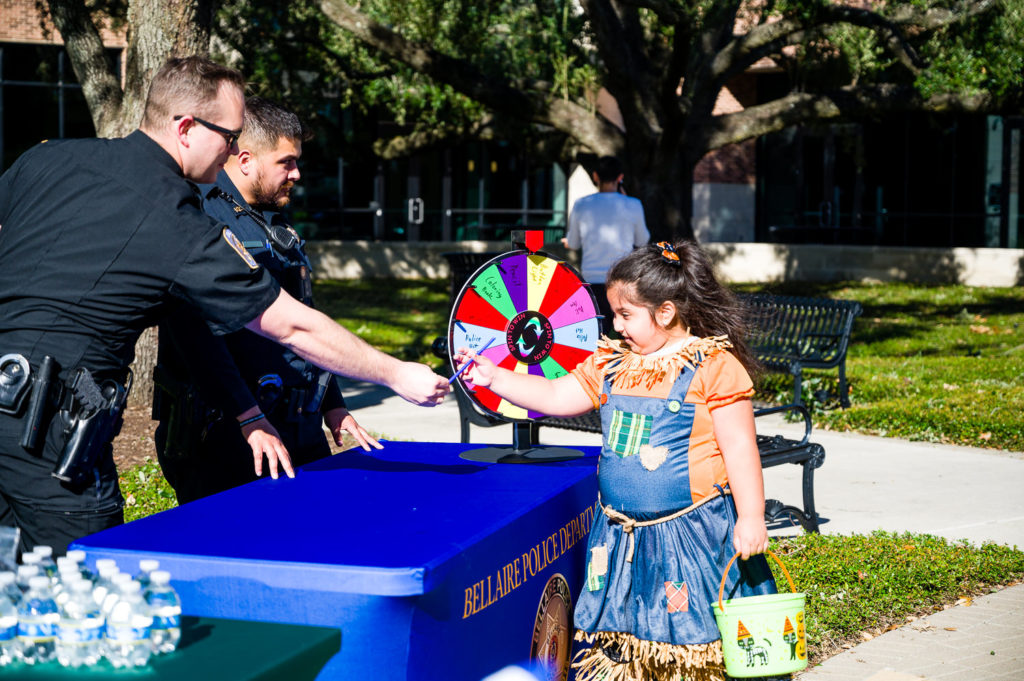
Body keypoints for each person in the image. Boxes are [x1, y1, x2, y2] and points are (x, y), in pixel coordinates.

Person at [0, 57, 448, 555]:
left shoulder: (46, 160)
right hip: (52, 437)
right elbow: (292, 327)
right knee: (82, 599)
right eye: (230, 137)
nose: (235, 151)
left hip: (17, 406)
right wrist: (393, 373)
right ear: (186, 128)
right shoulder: (177, 220)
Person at [455, 241, 776, 681]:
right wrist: (494, 377)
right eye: (613, 314)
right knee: (626, 640)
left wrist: (752, 517)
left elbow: (740, 448)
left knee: (692, 640)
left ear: (665, 313)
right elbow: (554, 395)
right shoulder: (611, 364)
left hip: (691, 534)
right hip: (620, 536)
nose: (615, 325)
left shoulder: (712, 365)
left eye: (626, 315)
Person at [153, 97, 380, 504]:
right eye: (286, 162)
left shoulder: (272, 216)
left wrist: (332, 405)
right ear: (245, 160)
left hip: (295, 427)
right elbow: (198, 339)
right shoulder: (201, 220)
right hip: (230, 434)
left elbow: (302, 320)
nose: (297, 173)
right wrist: (248, 416)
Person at [563, 156, 649, 331]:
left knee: (596, 333)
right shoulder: (633, 204)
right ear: (620, 177)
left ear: (595, 176)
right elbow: (642, 240)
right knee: (624, 335)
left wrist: (567, 242)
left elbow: (573, 243)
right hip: (622, 279)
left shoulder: (581, 205)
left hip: (591, 280)